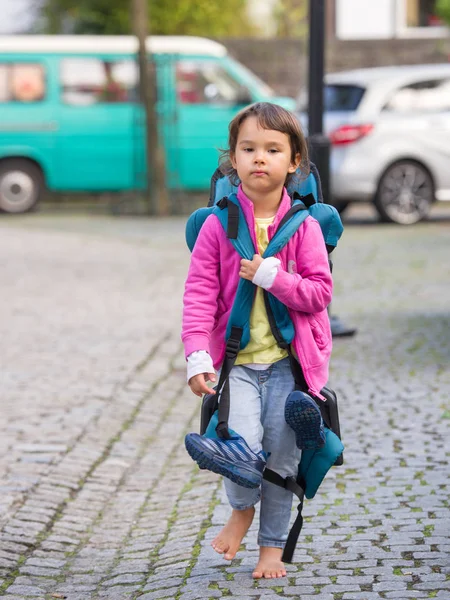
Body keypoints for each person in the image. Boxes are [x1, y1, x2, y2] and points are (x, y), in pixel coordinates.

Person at [181, 102, 333, 579]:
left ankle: (272, 549)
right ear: (233, 161)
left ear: (294, 163)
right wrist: (196, 354)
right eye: (248, 149)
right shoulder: (216, 225)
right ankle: (242, 509)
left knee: (282, 457)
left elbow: (320, 293)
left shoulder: (303, 228)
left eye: (272, 149)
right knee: (241, 450)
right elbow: (199, 294)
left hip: (291, 364)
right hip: (237, 364)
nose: (259, 158)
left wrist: (274, 276)